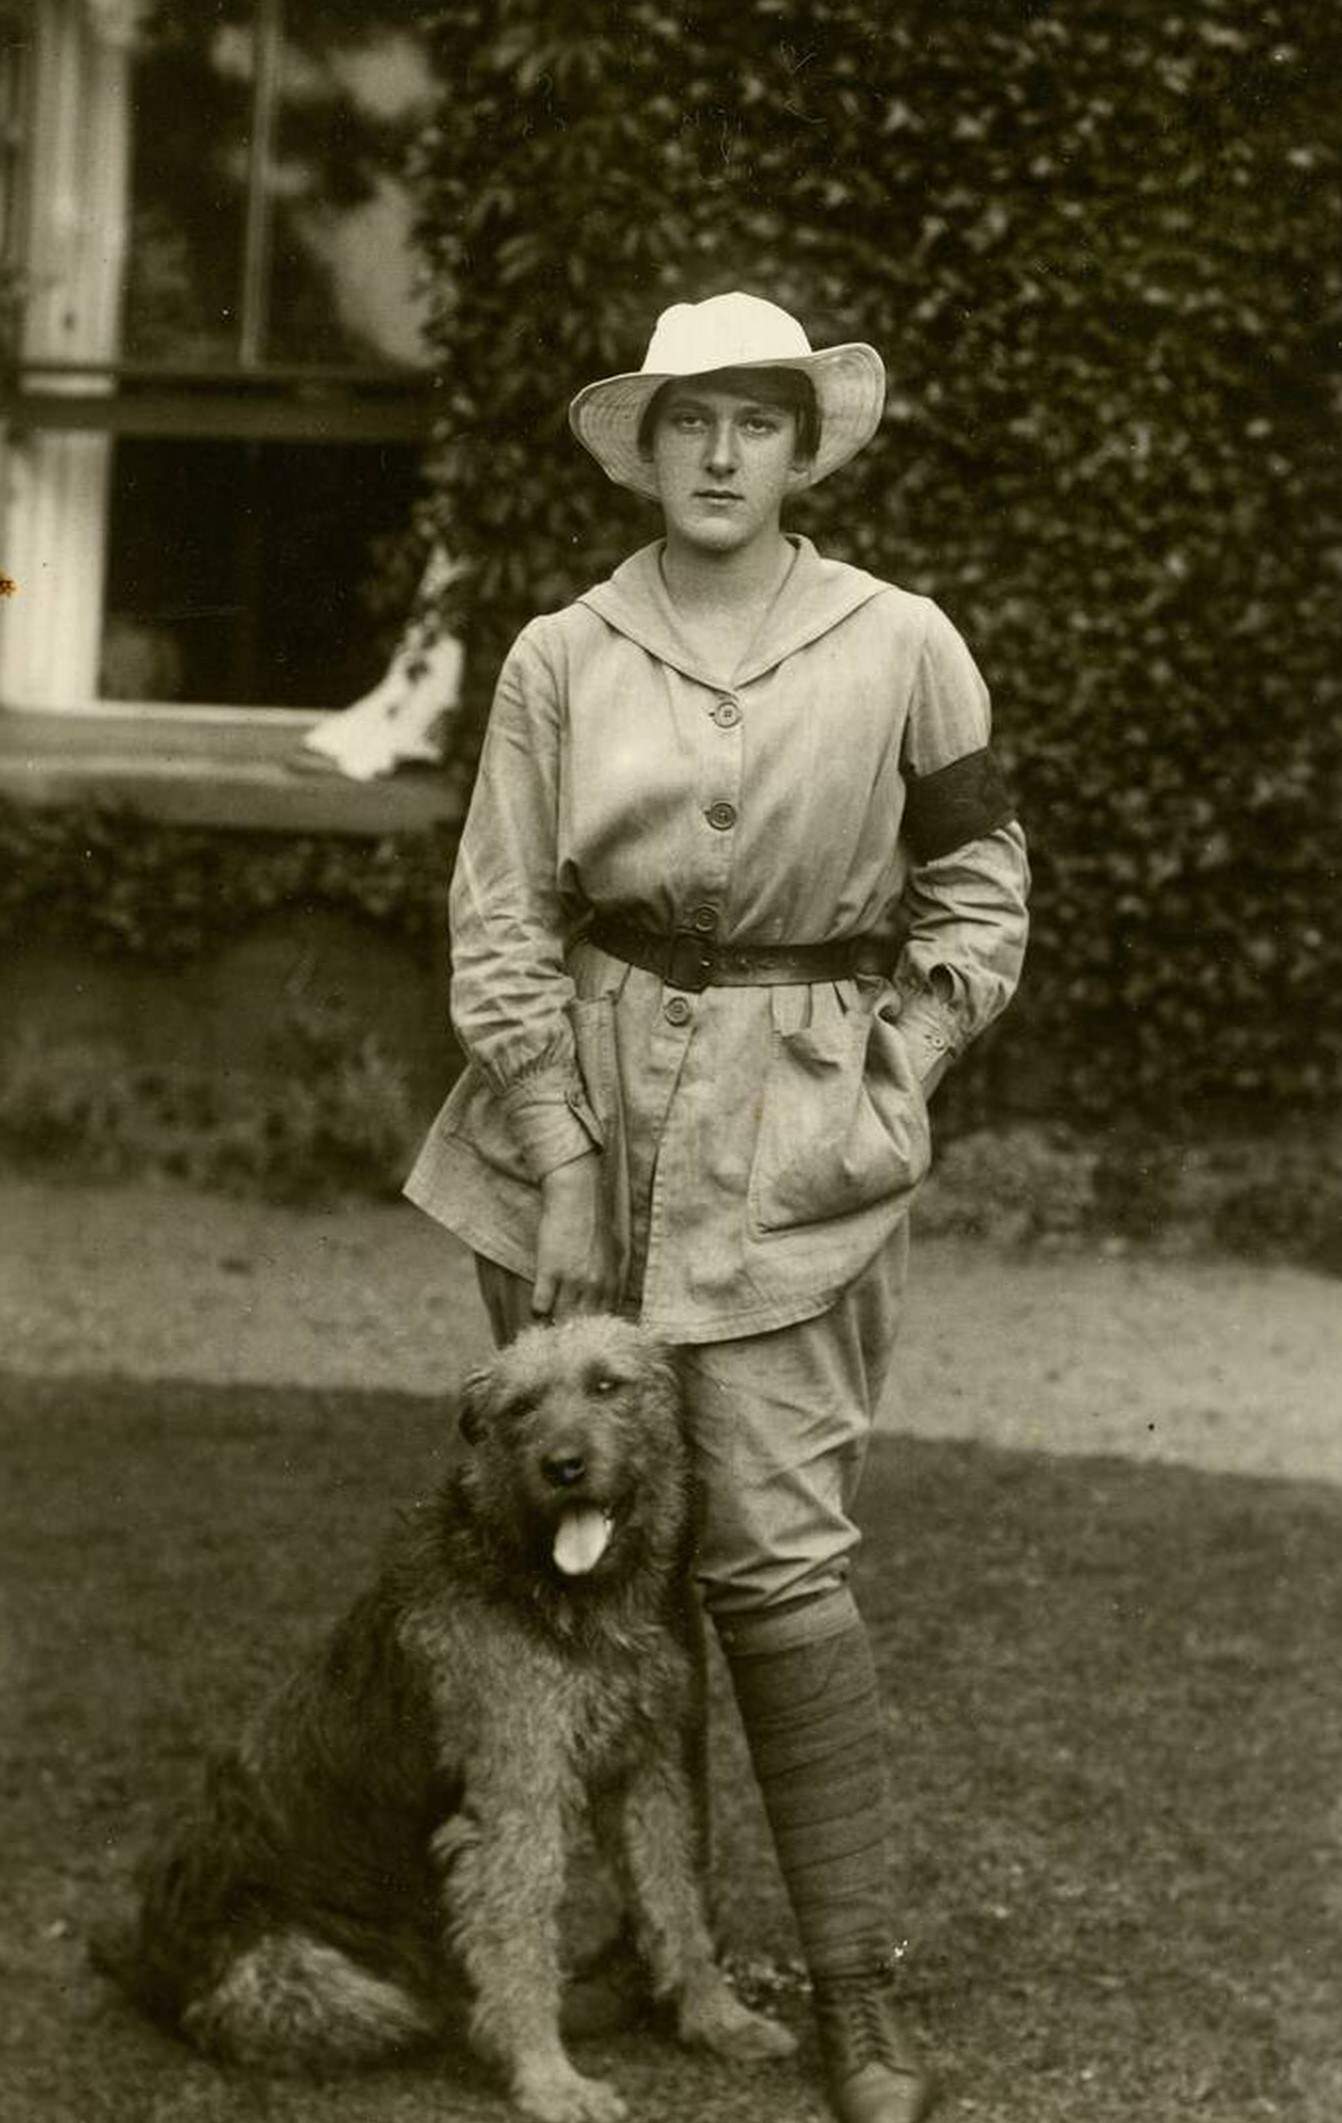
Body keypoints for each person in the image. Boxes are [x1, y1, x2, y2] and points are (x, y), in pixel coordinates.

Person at [405, 290, 1030, 2123]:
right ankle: (658, 1946)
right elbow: (502, 910)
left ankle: (856, 1994)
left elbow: (978, 889)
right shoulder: (562, 652)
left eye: (757, 421)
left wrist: (897, 1065)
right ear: (647, 445)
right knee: (592, 1544)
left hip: (795, 1137)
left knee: (770, 1558)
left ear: (802, 449)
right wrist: (559, 1145)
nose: (721, 453)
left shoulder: (903, 642)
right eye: (690, 420)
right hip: (571, 1118)